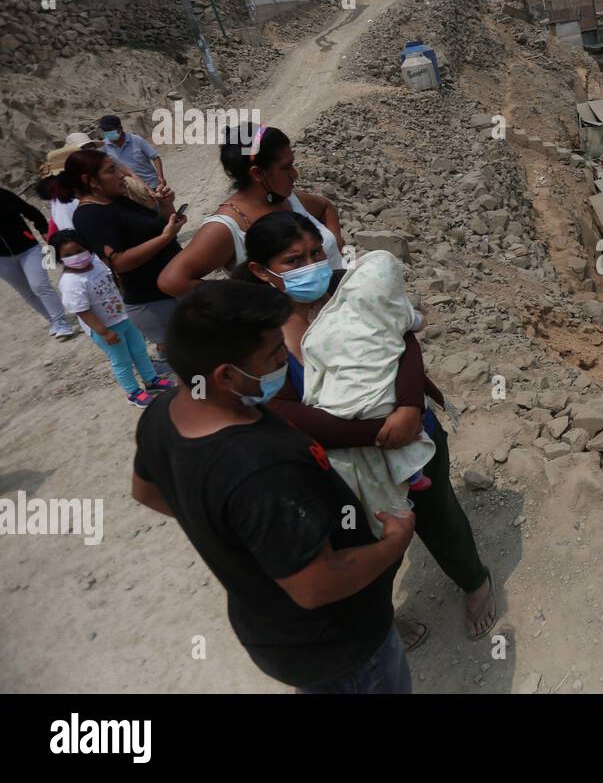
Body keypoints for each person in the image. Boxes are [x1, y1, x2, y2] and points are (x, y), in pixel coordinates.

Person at [132, 280, 415, 692]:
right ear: (226, 375)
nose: (285, 357)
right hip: (338, 643)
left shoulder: (162, 415)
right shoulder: (261, 467)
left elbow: (146, 491)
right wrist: (394, 542)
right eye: (273, 353)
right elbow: (316, 585)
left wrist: (231, 531)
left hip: (271, 631)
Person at [234, 211, 497, 641]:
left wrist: (410, 407)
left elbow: (403, 337)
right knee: (366, 543)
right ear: (263, 272)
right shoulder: (257, 330)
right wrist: (374, 434)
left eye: (316, 252)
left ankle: (475, 581)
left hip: (413, 434)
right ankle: (379, 615)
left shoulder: (347, 286)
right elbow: (282, 411)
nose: (312, 266)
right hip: (339, 462)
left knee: (439, 516)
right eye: (293, 260)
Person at [158, 123, 342, 296]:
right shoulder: (226, 227)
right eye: (286, 167)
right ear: (257, 174)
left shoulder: (291, 199)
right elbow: (172, 281)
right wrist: (248, 295)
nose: (294, 174)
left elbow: (326, 207)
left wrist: (336, 244)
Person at [64, 149, 183, 350]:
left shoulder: (118, 200)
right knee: (192, 364)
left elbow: (158, 228)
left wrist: (166, 206)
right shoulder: (89, 215)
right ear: (90, 180)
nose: (121, 175)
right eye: (111, 171)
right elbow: (118, 262)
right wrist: (165, 238)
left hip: (174, 287)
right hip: (155, 301)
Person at [52, 229, 173, 407]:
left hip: (124, 318)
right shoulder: (71, 282)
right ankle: (132, 392)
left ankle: (151, 380)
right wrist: (104, 332)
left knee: (139, 351)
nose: (76, 257)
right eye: (68, 255)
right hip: (105, 328)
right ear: (59, 258)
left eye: (79, 251)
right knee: (121, 360)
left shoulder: (97, 262)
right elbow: (82, 311)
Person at [0, 186, 77, 339]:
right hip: (2, 260)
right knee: (26, 292)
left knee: (39, 285)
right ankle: (53, 321)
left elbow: (31, 212)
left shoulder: (3, 195)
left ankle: (61, 322)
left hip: (28, 249)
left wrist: (43, 230)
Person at [99, 115, 164, 190]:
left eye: (110, 130)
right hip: (129, 189)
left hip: (152, 184)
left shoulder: (136, 140)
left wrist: (160, 177)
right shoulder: (103, 147)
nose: (108, 134)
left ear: (120, 128)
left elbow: (155, 157)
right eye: (105, 131)